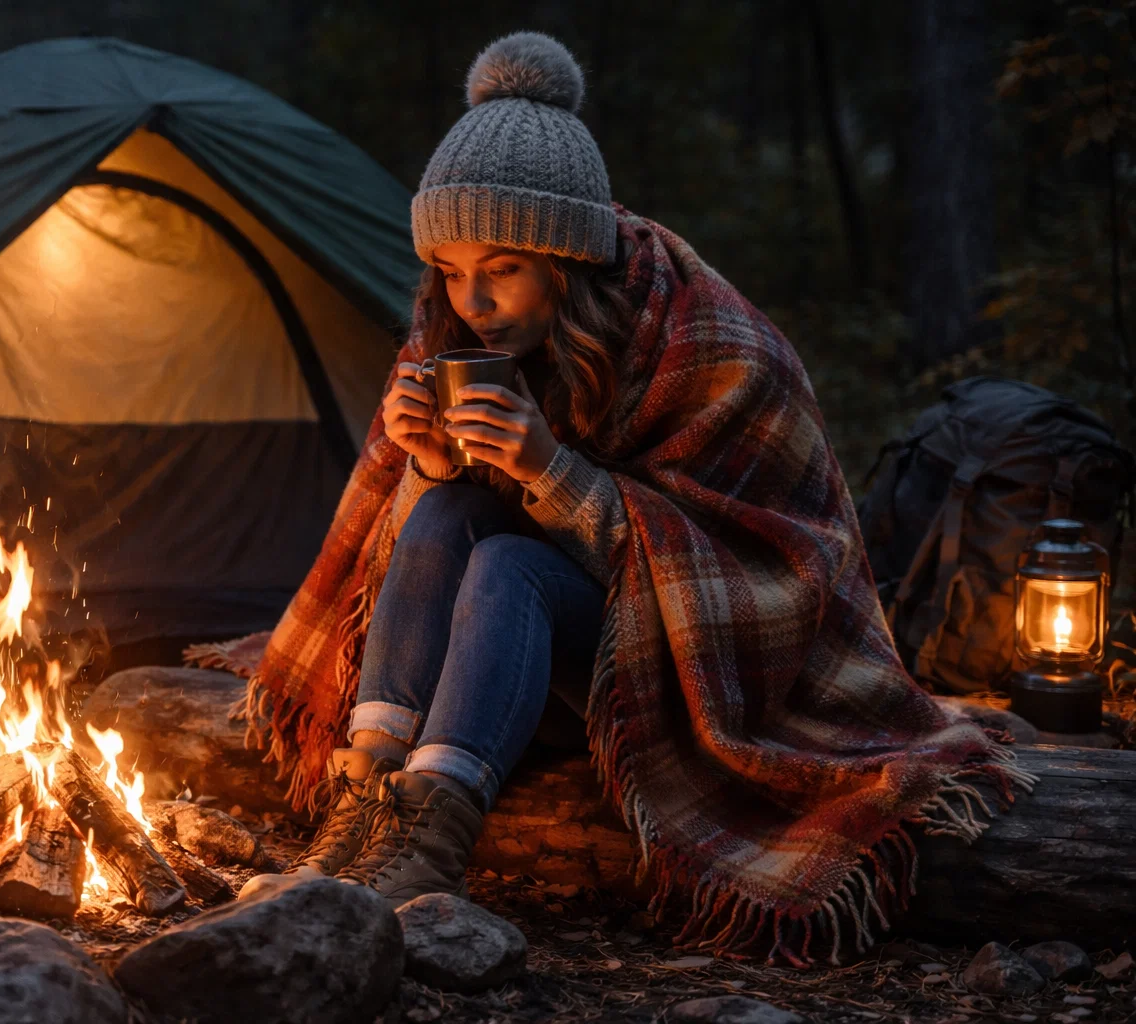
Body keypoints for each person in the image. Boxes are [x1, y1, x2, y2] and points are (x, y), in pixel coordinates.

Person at [235, 32, 1027, 961]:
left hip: (695, 671)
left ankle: (431, 841)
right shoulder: (449, 332)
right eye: (450, 270)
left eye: (500, 269)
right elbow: (409, 549)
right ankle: (363, 806)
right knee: (452, 513)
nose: (471, 302)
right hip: (528, 655)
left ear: (565, 261)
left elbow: (768, 574)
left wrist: (549, 472)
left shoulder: (718, 348)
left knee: (510, 562)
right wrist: (427, 464)